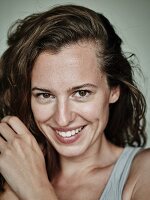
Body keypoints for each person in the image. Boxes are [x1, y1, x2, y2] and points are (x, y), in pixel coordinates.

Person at [0, 4, 150, 200]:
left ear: (113, 89)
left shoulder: (143, 172)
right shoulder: (11, 176)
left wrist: (35, 189)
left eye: (81, 92)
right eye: (45, 95)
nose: (62, 119)